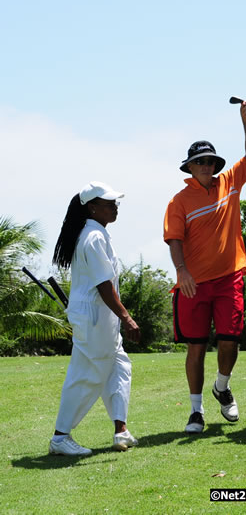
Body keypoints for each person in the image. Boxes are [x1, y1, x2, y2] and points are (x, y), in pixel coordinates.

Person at [163, 100, 246, 433]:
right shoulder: (178, 201)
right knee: (195, 346)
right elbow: (174, 239)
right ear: (190, 167)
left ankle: (222, 386)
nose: (205, 166)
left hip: (230, 277)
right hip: (193, 284)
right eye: (199, 162)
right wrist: (181, 270)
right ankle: (195, 411)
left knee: (230, 341)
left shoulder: (229, 182)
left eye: (209, 161)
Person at [50, 181, 141, 456]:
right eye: (110, 204)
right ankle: (60, 436)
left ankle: (121, 430)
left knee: (119, 367)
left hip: (98, 318)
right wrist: (127, 318)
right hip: (95, 318)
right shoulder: (94, 237)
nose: (115, 208)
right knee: (88, 375)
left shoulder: (94, 233)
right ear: (93, 208)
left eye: (116, 203)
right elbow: (104, 285)